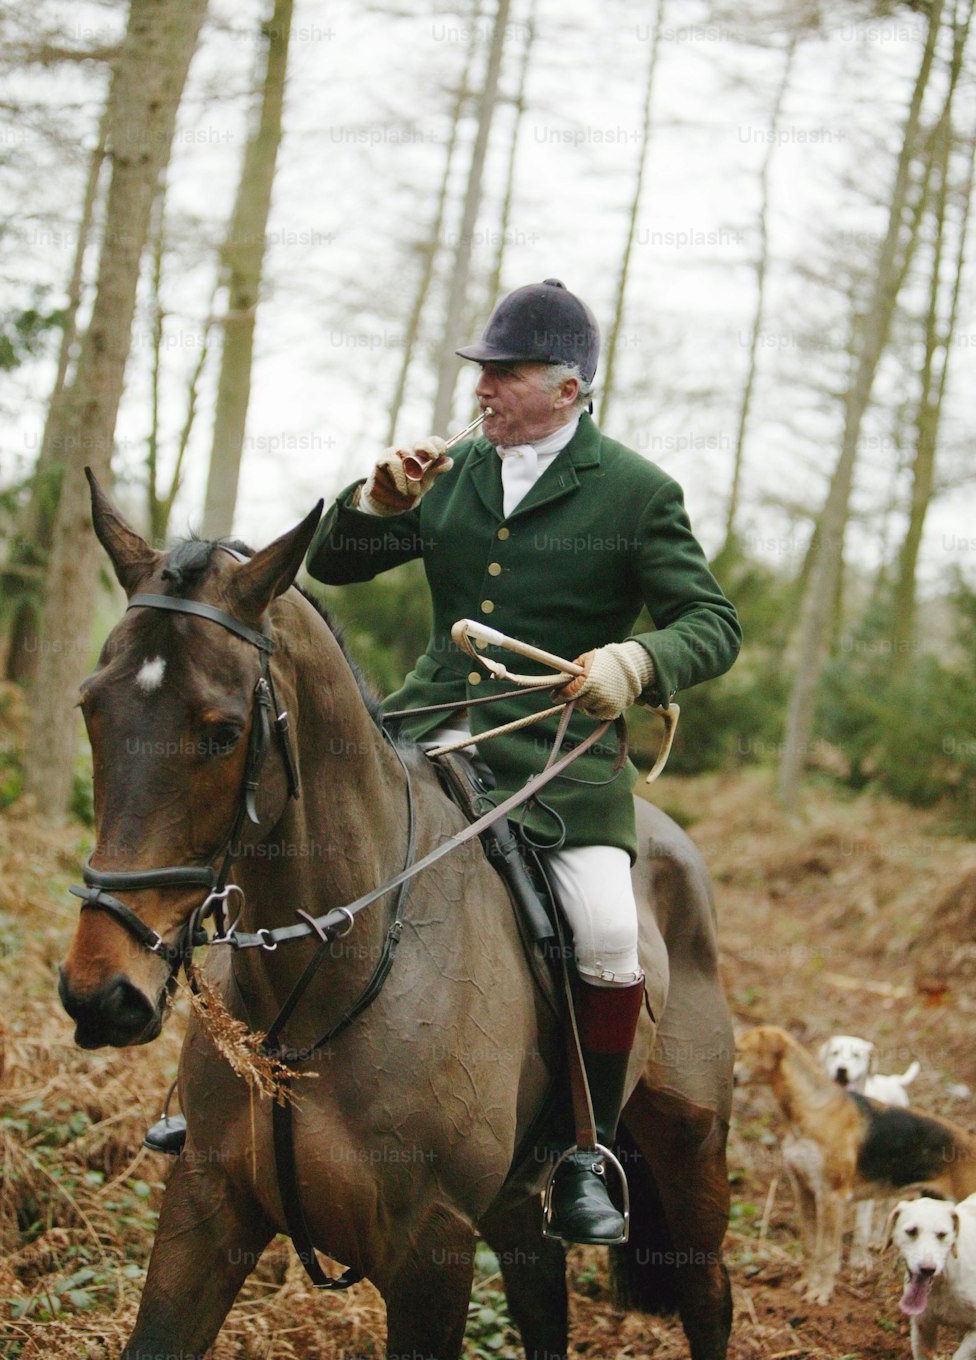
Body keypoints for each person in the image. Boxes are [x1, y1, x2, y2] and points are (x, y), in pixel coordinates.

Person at [305, 279, 741, 1244]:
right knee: (294, 846)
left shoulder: (636, 491)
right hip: (424, 728)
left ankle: (584, 1151)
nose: (484, 391)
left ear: (570, 387)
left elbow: (714, 624)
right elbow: (331, 565)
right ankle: (229, 1087)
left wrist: (637, 660)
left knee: (606, 936)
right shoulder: (449, 470)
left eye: (506, 374)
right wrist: (375, 500)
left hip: (559, 759)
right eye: (482, 373)